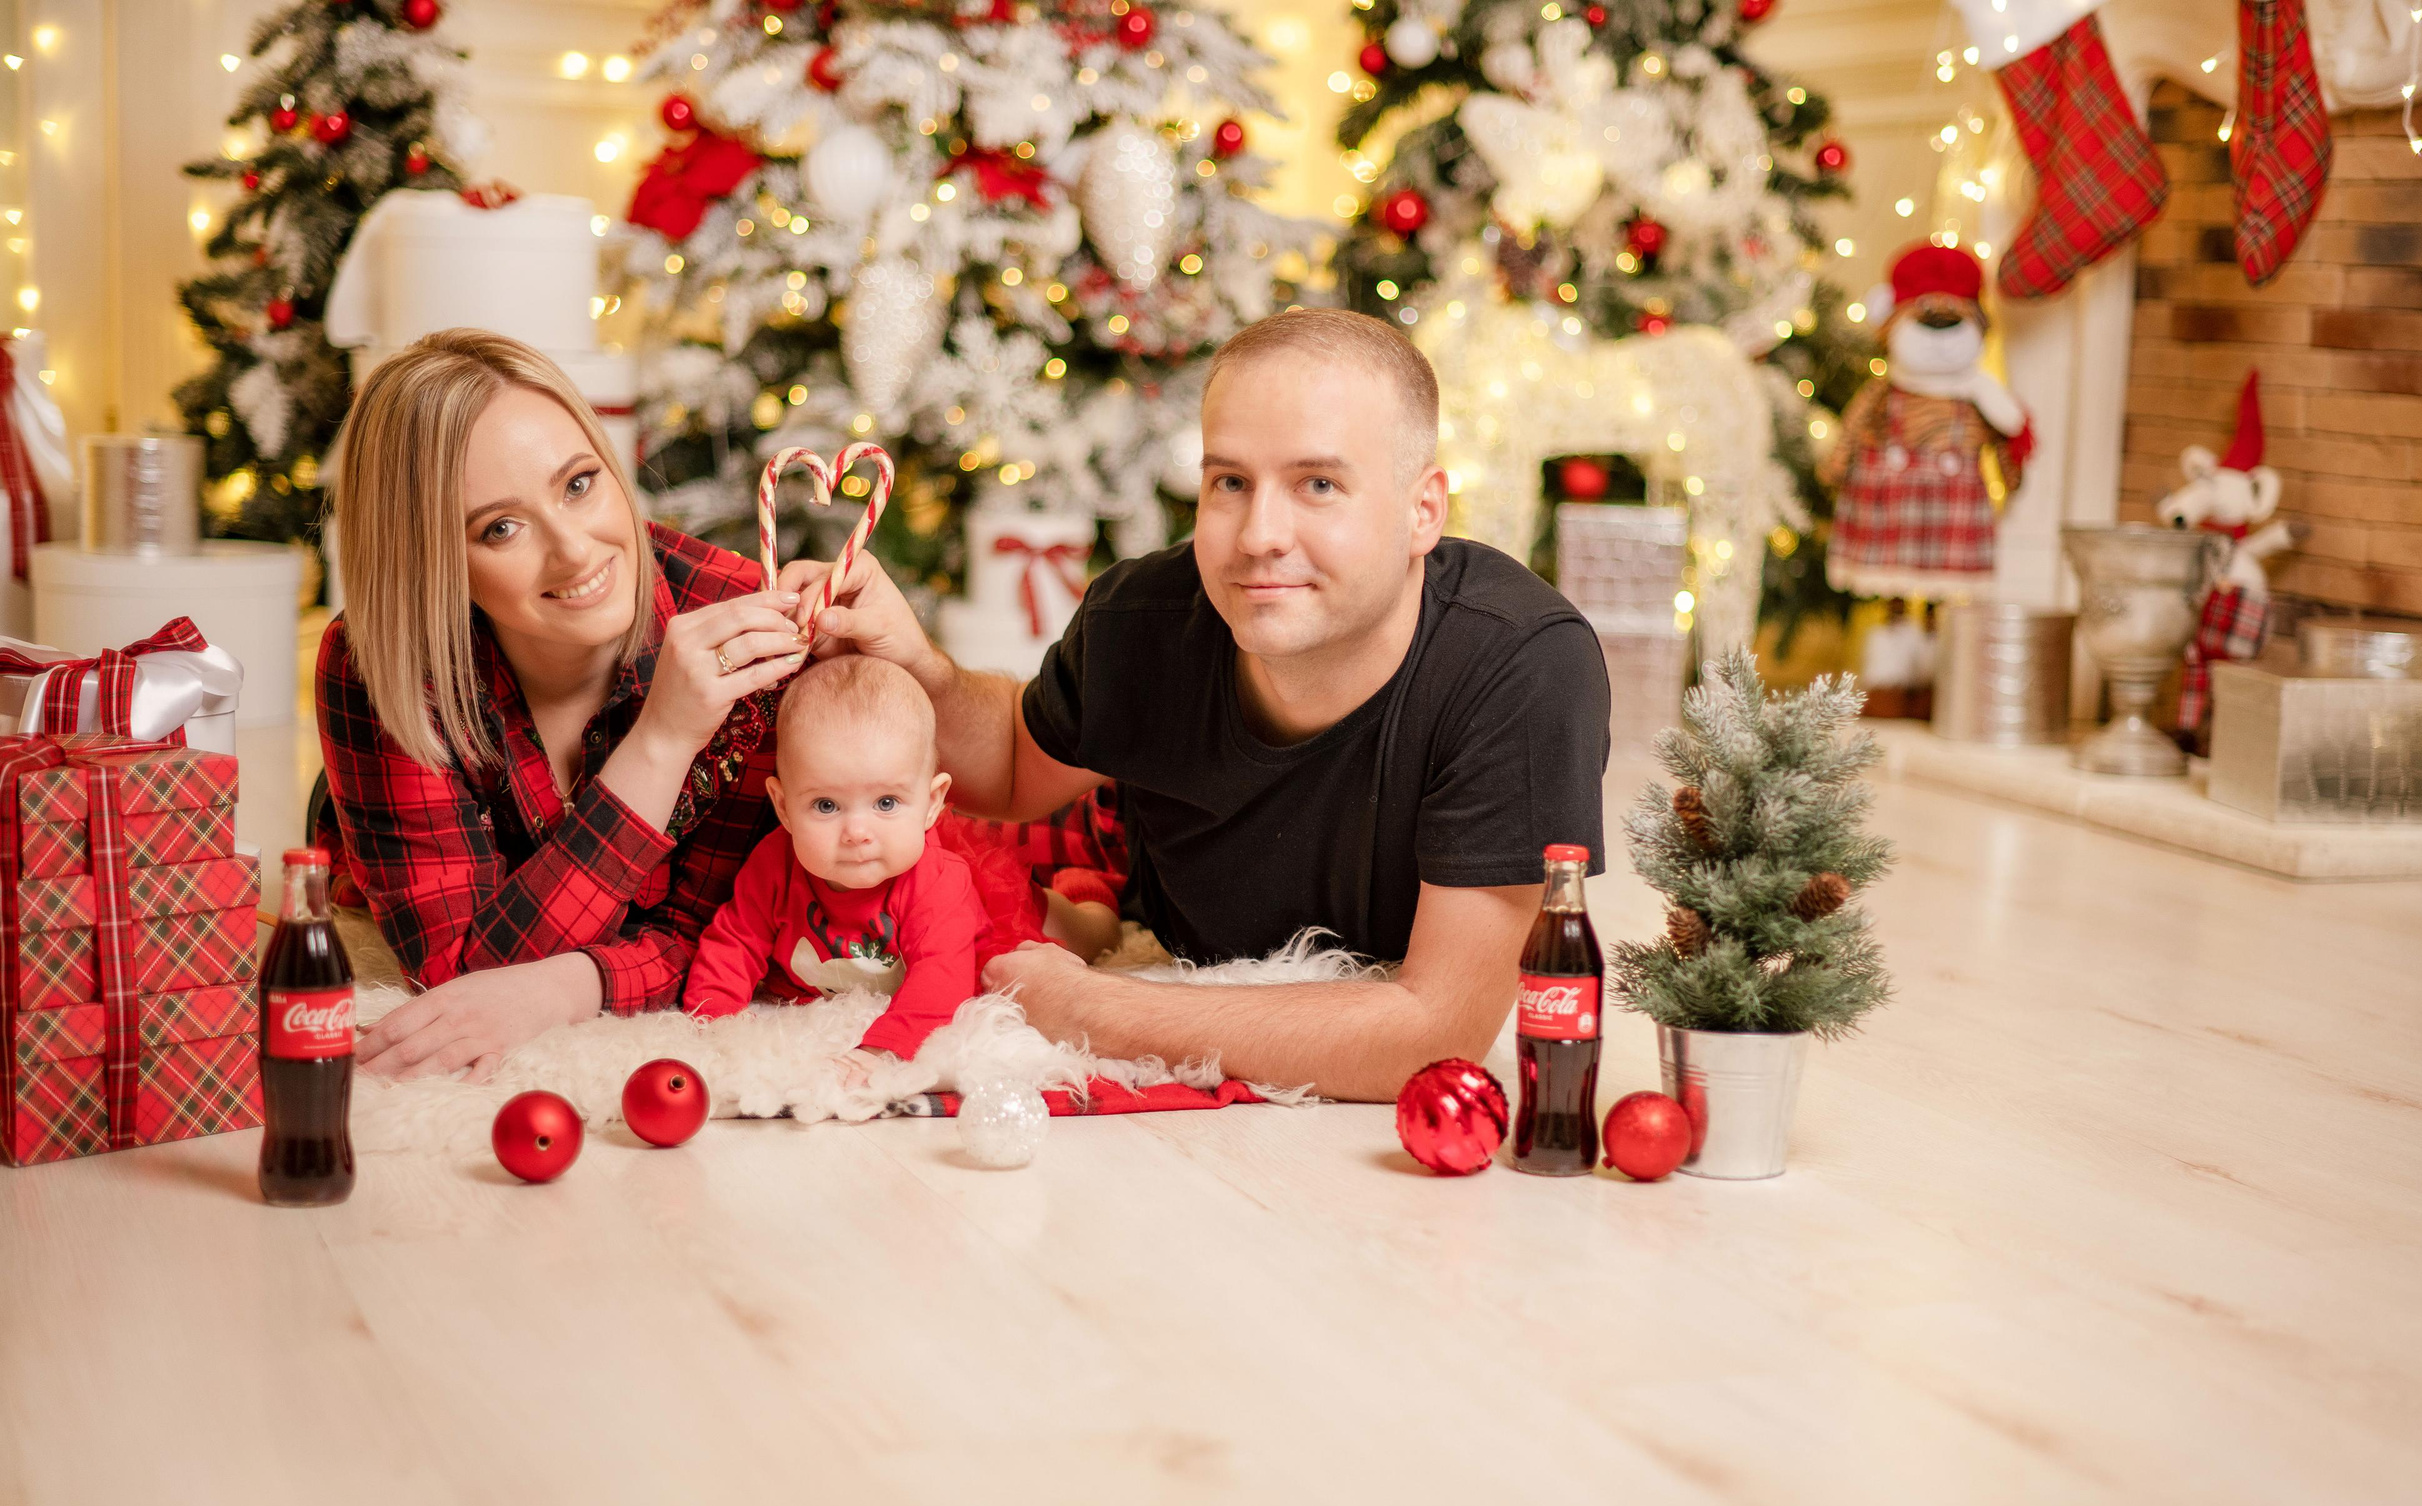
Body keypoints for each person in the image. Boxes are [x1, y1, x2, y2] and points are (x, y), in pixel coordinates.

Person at [811, 308, 1612, 1101]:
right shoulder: (1143, 617)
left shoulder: (1523, 666)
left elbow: (1433, 1034)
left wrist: (1091, 1006)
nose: (1259, 534)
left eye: (1318, 484)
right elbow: (1018, 768)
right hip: (1133, 861)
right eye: (1230, 481)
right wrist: (916, 663)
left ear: (1422, 511)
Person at [319, 330, 843, 1081]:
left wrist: (566, 984)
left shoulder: (744, 636)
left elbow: (717, 932)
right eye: (500, 527)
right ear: (433, 563)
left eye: (577, 484)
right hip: (408, 822)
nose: (574, 550)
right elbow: (458, 974)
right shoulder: (383, 663)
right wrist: (661, 741)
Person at [681, 655, 1114, 1073]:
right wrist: (716, 1021)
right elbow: (733, 943)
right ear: (783, 806)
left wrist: (880, 1051)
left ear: (931, 804)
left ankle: (1092, 895)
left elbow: (941, 980)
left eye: (885, 802)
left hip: (991, 917)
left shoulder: (939, 884)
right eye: (826, 805)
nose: (857, 831)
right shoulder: (774, 865)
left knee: (1080, 934)